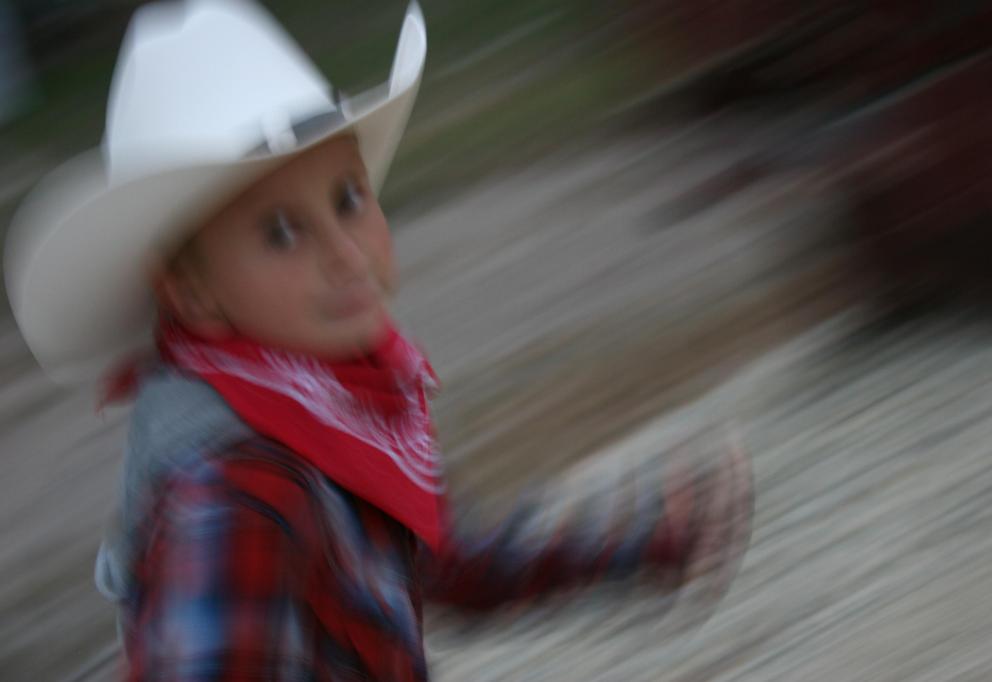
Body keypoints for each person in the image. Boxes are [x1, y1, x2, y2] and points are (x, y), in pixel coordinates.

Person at [4, 1, 753, 679]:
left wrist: (635, 540)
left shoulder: (323, 410)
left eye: (349, 198)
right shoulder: (236, 488)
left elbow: (443, 557)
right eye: (281, 232)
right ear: (192, 293)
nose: (344, 252)